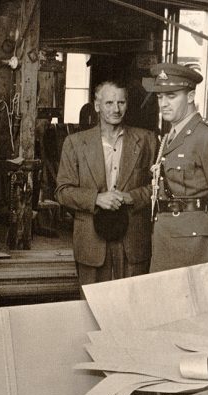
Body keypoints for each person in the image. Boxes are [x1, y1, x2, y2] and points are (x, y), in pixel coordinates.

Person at [143, 63, 208, 272]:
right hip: (166, 238)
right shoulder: (169, 137)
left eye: (171, 96)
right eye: (159, 97)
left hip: (196, 246)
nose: (163, 103)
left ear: (191, 96)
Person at [56, 81, 157, 290]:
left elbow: (159, 188)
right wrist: (96, 198)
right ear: (97, 105)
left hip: (133, 240)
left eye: (121, 102)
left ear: (127, 105)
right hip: (91, 241)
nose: (116, 109)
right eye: (109, 102)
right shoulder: (75, 143)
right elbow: (62, 192)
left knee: (131, 307)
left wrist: (132, 197)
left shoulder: (147, 140)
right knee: (92, 308)